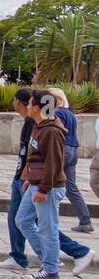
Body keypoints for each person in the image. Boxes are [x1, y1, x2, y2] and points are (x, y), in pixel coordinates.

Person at [0, 88, 93, 273]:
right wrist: (29, 177)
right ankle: (37, 259)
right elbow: (34, 156)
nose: (28, 105)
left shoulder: (49, 129)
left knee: (46, 227)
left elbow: (53, 162)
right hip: (32, 181)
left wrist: (43, 187)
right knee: (22, 220)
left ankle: (56, 264)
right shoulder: (39, 126)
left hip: (44, 185)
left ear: (37, 107)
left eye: (32, 102)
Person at [47, 88, 93, 233]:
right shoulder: (70, 114)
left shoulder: (58, 113)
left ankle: (43, 217)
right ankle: (85, 220)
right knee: (71, 187)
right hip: (73, 150)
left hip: (62, 150)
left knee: (49, 183)